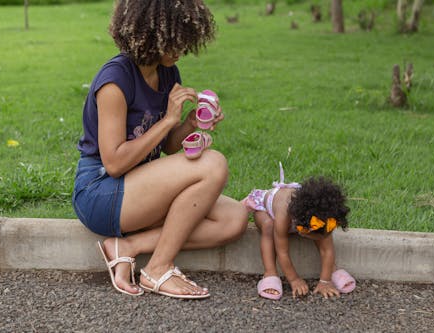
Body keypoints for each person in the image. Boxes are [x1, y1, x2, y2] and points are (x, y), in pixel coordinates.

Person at [72, 0, 248, 299]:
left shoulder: (168, 73)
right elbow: (114, 163)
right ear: (152, 35)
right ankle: (158, 268)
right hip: (101, 191)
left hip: (138, 189)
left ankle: (128, 247)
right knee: (213, 164)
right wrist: (168, 120)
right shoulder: (115, 82)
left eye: (184, 39)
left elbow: (166, 148)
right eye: (174, 40)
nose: (181, 48)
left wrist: (188, 123)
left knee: (235, 219)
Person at [242, 162, 355, 300]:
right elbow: (282, 252)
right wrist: (294, 279)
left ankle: (331, 271)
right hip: (265, 210)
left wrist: (325, 282)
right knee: (268, 227)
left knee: (323, 236)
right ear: (303, 230)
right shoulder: (283, 215)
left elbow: (327, 249)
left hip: (303, 218)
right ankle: (270, 273)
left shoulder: (322, 214)